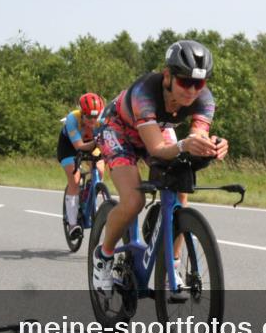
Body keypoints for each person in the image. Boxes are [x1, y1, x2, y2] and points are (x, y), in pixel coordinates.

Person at [91, 40, 229, 292]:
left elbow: (197, 137)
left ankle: (172, 265)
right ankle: (104, 256)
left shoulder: (205, 99)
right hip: (117, 130)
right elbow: (156, 149)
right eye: (185, 82)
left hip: (156, 130)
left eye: (199, 83)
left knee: (180, 193)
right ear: (168, 76)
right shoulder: (145, 92)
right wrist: (185, 145)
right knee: (133, 201)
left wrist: (213, 146)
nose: (191, 91)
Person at [57, 92, 107, 238]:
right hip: (70, 146)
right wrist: (97, 143)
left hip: (92, 144)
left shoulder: (103, 119)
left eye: (95, 117)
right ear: (82, 114)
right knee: (75, 180)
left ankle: (88, 195)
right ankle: (73, 224)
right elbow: (78, 145)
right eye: (89, 117)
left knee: (99, 169)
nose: (93, 120)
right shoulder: (73, 119)